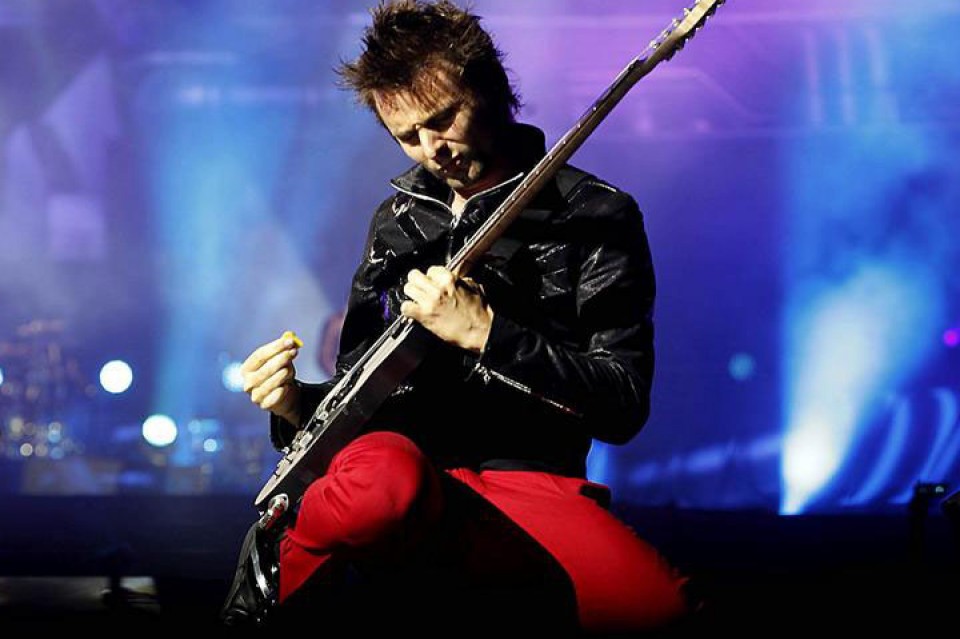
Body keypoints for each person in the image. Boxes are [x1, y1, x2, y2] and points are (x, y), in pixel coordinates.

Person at [235, 0, 694, 633]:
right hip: (394, 465)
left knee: (656, 608)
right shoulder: (395, 223)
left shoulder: (597, 214)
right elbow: (359, 391)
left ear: (495, 91)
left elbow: (622, 404)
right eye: (406, 136)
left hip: (526, 478)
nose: (431, 150)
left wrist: (487, 334)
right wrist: (293, 406)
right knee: (380, 488)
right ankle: (283, 545)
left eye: (443, 119)